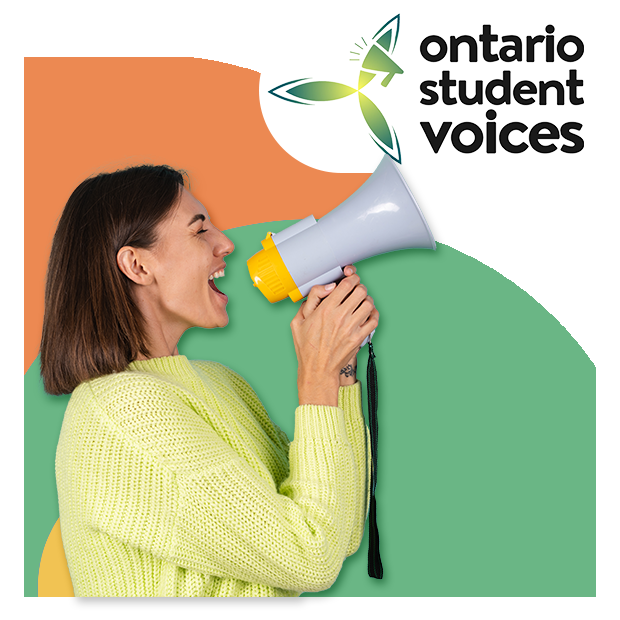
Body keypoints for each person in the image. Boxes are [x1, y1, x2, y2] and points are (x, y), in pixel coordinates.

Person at [41, 164, 379, 597]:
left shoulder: (221, 383)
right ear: (137, 265)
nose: (226, 243)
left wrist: (338, 370)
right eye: (199, 231)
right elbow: (310, 558)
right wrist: (314, 379)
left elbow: (339, 532)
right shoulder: (119, 412)